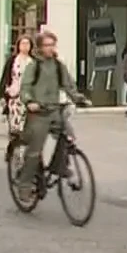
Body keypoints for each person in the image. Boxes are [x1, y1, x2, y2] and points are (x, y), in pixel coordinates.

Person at [16, 31, 81, 190]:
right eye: (47, 45)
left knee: (67, 136)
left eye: (53, 45)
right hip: (38, 113)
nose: (50, 48)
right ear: (39, 47)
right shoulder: (34, 66)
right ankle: (24, 184)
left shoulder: (58, 66)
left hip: (54, 110)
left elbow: (68, 85)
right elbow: (25, 87)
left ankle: (59, 166)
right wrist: (29, 101)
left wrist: (78, 98)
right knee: (34, 151)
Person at [0, 35, 36, 143]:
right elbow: (5, 79)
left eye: (27, 44)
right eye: (22, 44)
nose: (25, 46)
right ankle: (13, 150)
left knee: (28, 129)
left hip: (29, 98)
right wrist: (2, 96)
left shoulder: (33, 61)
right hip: (14, 97)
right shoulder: (13, 60)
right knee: (15, 128)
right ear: (18, 46)